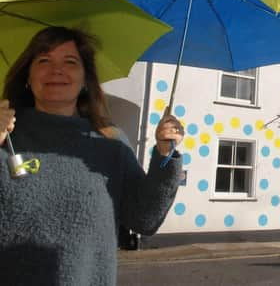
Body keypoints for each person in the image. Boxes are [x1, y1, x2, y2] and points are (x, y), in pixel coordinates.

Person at [0, 26, 184, 286]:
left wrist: (165, 154)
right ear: (28, 76)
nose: (56, 70)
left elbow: (145, 219)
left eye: (70, 62)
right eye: (44, 60)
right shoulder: (6, 138)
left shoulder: (110, 142)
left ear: (86, 79)